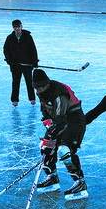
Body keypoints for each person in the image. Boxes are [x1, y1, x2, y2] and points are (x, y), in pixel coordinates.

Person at [32, 69, 88, 200]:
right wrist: (49, 133)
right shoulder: (41, 91)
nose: (38, 91)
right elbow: (46, 115)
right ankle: (52, 177)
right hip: (58, 121)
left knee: (64, 150)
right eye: (36, 88)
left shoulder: (59, 93)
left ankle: (79, 182)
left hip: (74, 120)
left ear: (47, 84)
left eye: (40, 88)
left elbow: (61, 121)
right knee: (45, 147)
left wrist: (52, 136)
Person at [3, 19, 39, 106]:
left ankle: (32, 98)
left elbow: (33, 50)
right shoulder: (9, 38)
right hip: (15, 65)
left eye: (18, 27)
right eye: (15, 27)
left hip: (27, 65)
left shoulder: (28, 37)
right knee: (15, 82)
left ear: (21, 26)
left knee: (29, 82)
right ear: (13, 28)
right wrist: (9, 61)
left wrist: (34, 62)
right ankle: (14, 100)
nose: (17, 29)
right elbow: (6, 50)